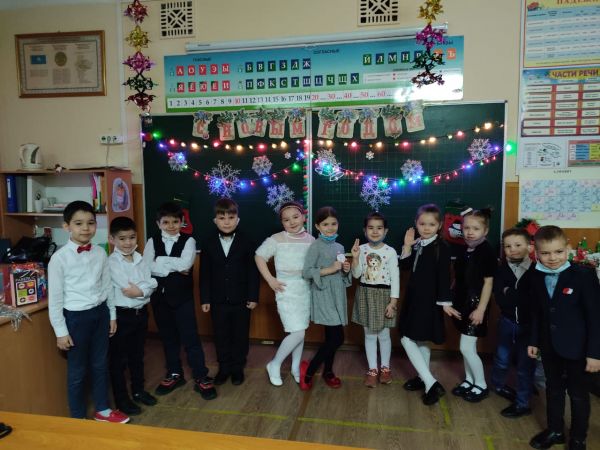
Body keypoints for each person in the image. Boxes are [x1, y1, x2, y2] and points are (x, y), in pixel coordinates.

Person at [48, 200, 129, 423]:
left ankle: (102, 409)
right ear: (66, 226)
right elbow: (55, 300)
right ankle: (77, 418)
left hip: (100, 314)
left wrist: (111, 315)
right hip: (75, 318)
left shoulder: (101, 253)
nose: (85, 228)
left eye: (91, 223)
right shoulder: (59, 259)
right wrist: (60, 332)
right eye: (78, 223)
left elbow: (107, 286)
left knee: (100, 364)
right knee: (77, 371)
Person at [528, 226, 600, 450]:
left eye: (558, 252)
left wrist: (595, 353)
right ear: (536, 252)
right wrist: (534, 340)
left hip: (579, 349)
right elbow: (536, 312)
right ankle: (555, 430)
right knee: (553, 389)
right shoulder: (535, 275)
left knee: (578, 395)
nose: (552, 258)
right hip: (550, 346)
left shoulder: (584, 275)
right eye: (545, 253)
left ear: (568, 248)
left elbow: (595, 317)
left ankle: (578, 438)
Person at [143, 201, 216, 400]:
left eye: (175, 222)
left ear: (182, 222)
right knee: (168, 338)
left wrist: (160, 261)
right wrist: (172, 266)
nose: (171, 226)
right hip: (159, 298)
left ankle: (201, 376)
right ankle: (174, 373)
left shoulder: (189, 240)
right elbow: (146, 267)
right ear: (158, 223)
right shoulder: (152, 241)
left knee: (191, 338)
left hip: (182, 299)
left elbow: (186, 265)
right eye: (166, 222)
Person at [200, 198, 259, 386]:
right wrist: (205, 298)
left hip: (241, 299)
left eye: (231, 217)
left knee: (240, 336)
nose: (227, 222)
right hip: (217, 300)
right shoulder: (208, 241)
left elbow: (252, 271)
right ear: (215, 220)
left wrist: (253, 296)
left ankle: (237, 368)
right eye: (222, 218)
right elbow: (204, 273)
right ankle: (224, 368)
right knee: (221, 335)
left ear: (237, 219)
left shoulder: (247, 240)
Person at [255, 201, 315, 386]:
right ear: (282, 222)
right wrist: (270, 279)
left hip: (305, 290)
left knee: (300, 330)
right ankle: (274, 364)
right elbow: (259, 256)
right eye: (286, 220)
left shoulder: (311, 240)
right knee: (298, 332)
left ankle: (295, 367)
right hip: (286, 290)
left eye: (295, 217)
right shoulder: (277, 239)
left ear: (303, 217)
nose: (292, 222)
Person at [398, 204, 452, 405]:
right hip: (414, 298)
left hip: (429, 301)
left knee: (407, 338)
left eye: (431, 224)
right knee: (420, 340)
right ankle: (423, 378)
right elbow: (405, 266)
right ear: (416, 224)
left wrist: (445, 302)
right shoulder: (418, 243)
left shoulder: (441, 247)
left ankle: (431, 382)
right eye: (422, 224)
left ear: (439, 225)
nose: (426, 228)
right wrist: (407, 245)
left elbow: (444, 277)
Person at [107, 216, 158, 416]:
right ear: (112, 239)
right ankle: (122, 399)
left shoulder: (140, 258)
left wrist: (144, 288)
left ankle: (138, 390)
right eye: (122, 239)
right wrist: (146, 287)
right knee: (119, 361)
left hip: (141, 314)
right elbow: (127, 289)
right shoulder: (111, 262)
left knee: (137, 356)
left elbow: (151, 283)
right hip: (122, 316)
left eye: (132, 237)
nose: (128, 243)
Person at [300, 206, 352, 390]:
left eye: (333, 224)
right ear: (317, 226)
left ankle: (328, 372)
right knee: (337, 339)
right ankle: (309, 371)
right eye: (325, 224)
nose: (330, 228)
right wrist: (330, 269)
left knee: (332, 337)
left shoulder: (339, 246)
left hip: (337, 295)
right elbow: (306, 272)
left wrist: (346, 270)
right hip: (323, 295)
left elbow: (342, 274)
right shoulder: (315, 246)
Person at [450, 208, 497, 402]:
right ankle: (469, 380)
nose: (470, 232)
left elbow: (488, 282)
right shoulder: (465, 249)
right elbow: (459, 277)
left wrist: (481, 309)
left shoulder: (486, 251)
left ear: (485, 231)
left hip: (476, 305)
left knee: (466, 347)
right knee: (467, 347)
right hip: (463, 302)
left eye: (476, 228)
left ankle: (481, 384)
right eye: (466, 228)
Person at [491, 227, 536, 418]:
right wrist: (514, 295)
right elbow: (500, 299)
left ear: (530, 247)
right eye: (508, 246)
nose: (513, 249)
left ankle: (522, 403)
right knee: (501, 359)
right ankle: (499, 385)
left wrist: (510, 292)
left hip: (529, 326)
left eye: (518, 245)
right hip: (507, 322)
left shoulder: (536, 271)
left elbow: (532, 301)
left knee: (525, 367)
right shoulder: (501, 270)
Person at [351, 212, 399, 387]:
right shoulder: (361, 249)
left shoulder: (390, 252)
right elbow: (356, 274)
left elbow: (395, 278)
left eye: (379, 228)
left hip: (384, 295)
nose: (375, 231)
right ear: (365, 231)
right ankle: (373, 369)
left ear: (385, 231)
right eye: (371, 228)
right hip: (365, 293)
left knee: (384, 335)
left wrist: (393, 302)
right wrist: (355, 258)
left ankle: (385, 368)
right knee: (369, 334)